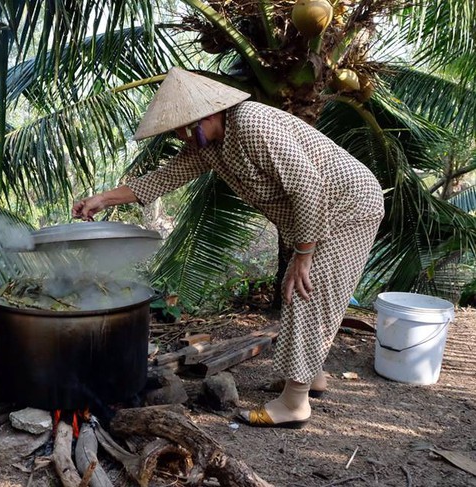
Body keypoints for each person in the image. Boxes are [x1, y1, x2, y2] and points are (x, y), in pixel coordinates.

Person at [72, 67, 384, 428]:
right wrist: (103, 199)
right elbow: (161, 179)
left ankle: (295, 404)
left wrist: (303, 254)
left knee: (308, 290)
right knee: (299, 291)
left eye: (184, 128)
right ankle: (309, 377)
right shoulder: (210, 145)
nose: (182, 136)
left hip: (347, 205)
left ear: (207, 114)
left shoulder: (251, 124)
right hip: (323, 208)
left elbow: (308, 187)